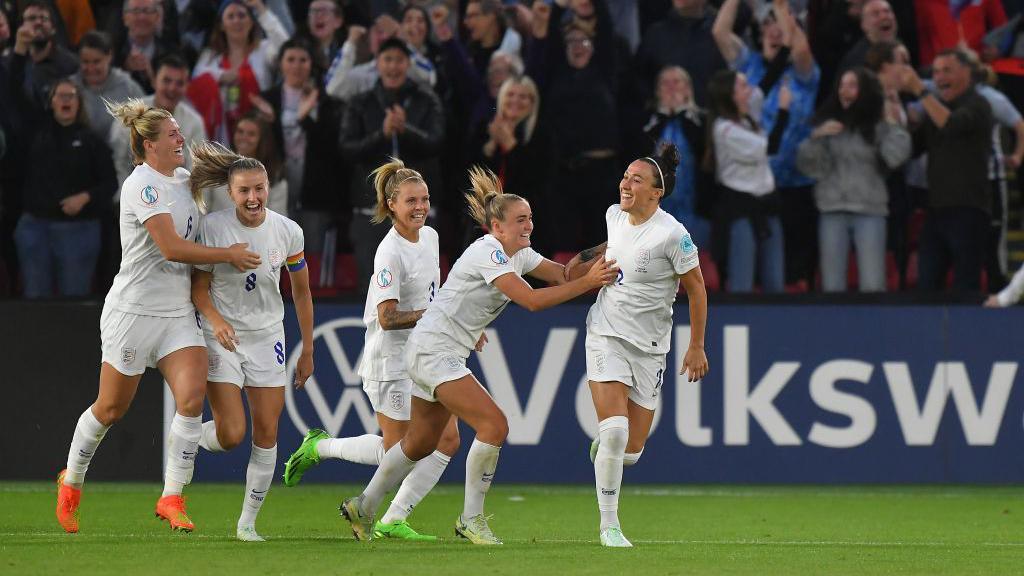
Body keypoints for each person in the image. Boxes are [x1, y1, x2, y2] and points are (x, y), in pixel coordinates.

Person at [338, 166, 618, 545]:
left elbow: (564, 274)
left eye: (531, 218)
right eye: (521, 220)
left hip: (430, 350)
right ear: (496, 228)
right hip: (434, 351)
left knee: (420, 443)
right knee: (495, 425)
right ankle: (471, 519)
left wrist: (612, 245)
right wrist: (588, 283)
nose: (529, 226)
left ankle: (364, 505)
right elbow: (532, 301)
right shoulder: (489, 252)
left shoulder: (517, 255)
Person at [55, 98, 261, 534]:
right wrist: (227, 254)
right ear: (149, 145)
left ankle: (172, 496)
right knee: (111, 408)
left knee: (190, 398)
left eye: (179, 133)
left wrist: (241, 175)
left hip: (176, 314)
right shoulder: (141, 186)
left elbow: (233, 171)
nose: (180, 138)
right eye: (171, 134)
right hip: (133, 313)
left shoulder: (185, 180)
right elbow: (170, 247)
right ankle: (71, 481)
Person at [282, 158, 460, 542]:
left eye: (425, 199)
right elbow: (388, 316)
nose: (420, 207)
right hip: (390, 361)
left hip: (423, 357)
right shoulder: (389, 252)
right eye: (411, 200)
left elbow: (434, 294)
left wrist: (449, 323)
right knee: (398, 452)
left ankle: (393, 517)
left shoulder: (430, 237)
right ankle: (320, 447)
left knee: (447, 439)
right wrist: (436, 316)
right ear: (391, 204)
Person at [562, 143, 708, 547]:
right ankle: (609, 526)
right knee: (614, 431)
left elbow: (697, 290)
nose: (625, 183)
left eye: (636, 179)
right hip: (606, 333)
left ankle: (607, 453)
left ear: (656, 192)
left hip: (650, 347)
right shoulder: (615, 214)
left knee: (632, 450)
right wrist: (584, 258)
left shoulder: (673, 235)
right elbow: (613, 245)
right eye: (625, 176)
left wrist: (696, 346)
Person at [188, 141, 314, 542]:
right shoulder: (213, 228)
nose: (253, 197)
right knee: (231, 435)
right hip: (222, 334)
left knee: (267, 432)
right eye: (244, 191)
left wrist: (307, 347)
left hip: (268, 337)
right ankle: (191, 437)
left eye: (259, 188)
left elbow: (303, 293)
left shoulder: (288, 232)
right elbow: (198, 290)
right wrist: (216, 322)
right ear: (231, 193)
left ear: (268, 186)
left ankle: (247, 523)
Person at [339, 36, 444, 295]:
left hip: (419, 212)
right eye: (387, 60)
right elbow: (346, 149)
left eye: (399, 60)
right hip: (371, 211)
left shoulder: (426, 99)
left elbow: (437, 143)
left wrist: (404, 130)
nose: (393, 66)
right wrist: (382, 135)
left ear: (408, 64)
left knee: (420, 287)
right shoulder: (360, 102)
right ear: (378, 63)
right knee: (373, 287)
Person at [796, 67, 911, 292]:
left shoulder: (879, 126)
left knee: (872, 284)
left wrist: (892, 122)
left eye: (852, 85)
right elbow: (808, 167)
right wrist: (816, 138)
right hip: (832, 208)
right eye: (842, 85)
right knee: (832, 286)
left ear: (865, 91)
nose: (844, 91)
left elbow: (896, 156)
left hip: (870, 209)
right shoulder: (827, 123)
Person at [900, 48, 993, 293]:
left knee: (966, 284)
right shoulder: (935, 109)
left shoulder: (978, 104)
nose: (939, 77)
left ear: (967, 73)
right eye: (936, 71)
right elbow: (909, 150)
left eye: (947, 70)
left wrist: (920, 91)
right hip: (936, 209)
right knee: (927, 285)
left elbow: (951, 125)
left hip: (969, 209)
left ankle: (968, 331)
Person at [14, 78, 117, 298]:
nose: (66, 100)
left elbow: (110, 183)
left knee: (73, 302)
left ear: (79, 103)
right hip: (35, 228)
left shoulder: (92, 141)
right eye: (60, 95)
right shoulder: (34, 136)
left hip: (78, 230)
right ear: (50, 102)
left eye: (71, 95)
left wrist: (85, 197)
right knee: (35, 299)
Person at [707, 69, 791, 293]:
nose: (750, 90)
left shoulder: (747, 118)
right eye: (744, 86)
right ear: (731, 95)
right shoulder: (725, 129)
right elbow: (771, 146)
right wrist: (783, 110)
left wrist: (785, 48)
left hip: (767, 205)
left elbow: (764, 86)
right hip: (740, 210)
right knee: (741, 282)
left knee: (775, 280)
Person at [188, 0, 289, 143]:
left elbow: (287, 49)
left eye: (242, 15)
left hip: (257, 134)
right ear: (222, 25)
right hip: (221, 137)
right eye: (231, 16)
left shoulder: (264, 50)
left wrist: (262, 11)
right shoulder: (210, 56)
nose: (237, 21)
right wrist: (221, 76)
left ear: (252, 22)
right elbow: (195, 83)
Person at [204, 112, 287, 215]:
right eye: (240, 132)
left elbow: (278, 220)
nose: (244, 137)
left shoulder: (275, 177)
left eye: (251, 134)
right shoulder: (216, 167)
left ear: (262, 140)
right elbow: (203, 206)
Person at [75, 30, 146, 143]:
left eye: (96, 62)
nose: (91, 68)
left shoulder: (128, 87)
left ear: (109, 57)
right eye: (86, 62)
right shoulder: (71, 88)